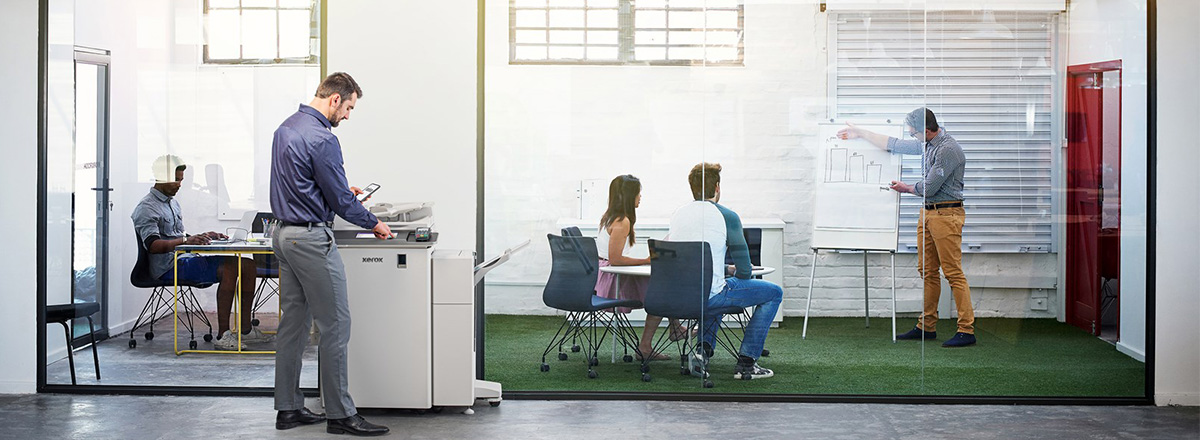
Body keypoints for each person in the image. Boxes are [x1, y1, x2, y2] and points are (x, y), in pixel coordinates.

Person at [270, 72, 393, 435]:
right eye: (350, 107)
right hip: (310, 240)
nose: (348, 116)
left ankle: (288, 409)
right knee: (335, 325)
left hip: (282, 235)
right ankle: (341, 415)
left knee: (292, 325)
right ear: (335, 99)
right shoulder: (323, 137)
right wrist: (374, 223)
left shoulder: (286, 128)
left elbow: (302, 184)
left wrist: (340, 189)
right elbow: (340, 202)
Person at [837, 107, 976, 348]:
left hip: (946, 214)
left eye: (914, 133)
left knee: (952, 272)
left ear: (926, 130)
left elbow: (930, 187)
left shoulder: (947, 149)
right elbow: (894, 144)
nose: (912, 137)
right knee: (927, 271)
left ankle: (966, 330)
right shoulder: (928, 143)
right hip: (929, 213)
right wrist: (859, 132)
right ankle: (927, 326)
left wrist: (907, 188)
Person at [131, 154, 271, 351]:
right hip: (168, 267)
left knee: (247, 264)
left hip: (185, 259)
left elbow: (175, 235)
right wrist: (186, 240)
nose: (179, 184)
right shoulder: (146, 208)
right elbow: (153, 245)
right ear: (160, 177)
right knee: (230, 267)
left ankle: (246, 330)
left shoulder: (171, 202)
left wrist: (201, 236)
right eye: (176, 179)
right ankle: (223, 336)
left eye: (181, 179)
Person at [667, 162, 783, 380]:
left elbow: (687, 260)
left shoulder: (678, 215)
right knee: (774, 293)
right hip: (710, 296)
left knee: (717, 287)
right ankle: (747, 363)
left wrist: (721, 271)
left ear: (692, 188)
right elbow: (745, 270)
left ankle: (702, 353)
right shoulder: (727, 216)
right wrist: (732, 276)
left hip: (679, 297)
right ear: (717, 187)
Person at [593, 175, 688, 361]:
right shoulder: (622, 221)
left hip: (605, 273)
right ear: (630, 196)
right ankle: (648, 345)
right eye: (638, 193)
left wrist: (644, 261)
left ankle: (673, 329)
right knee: (660, 294)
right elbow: (616, 259)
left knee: (661, 291)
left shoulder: (610, 217)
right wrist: (645, 260)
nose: (640, 197)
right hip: (611, 278)